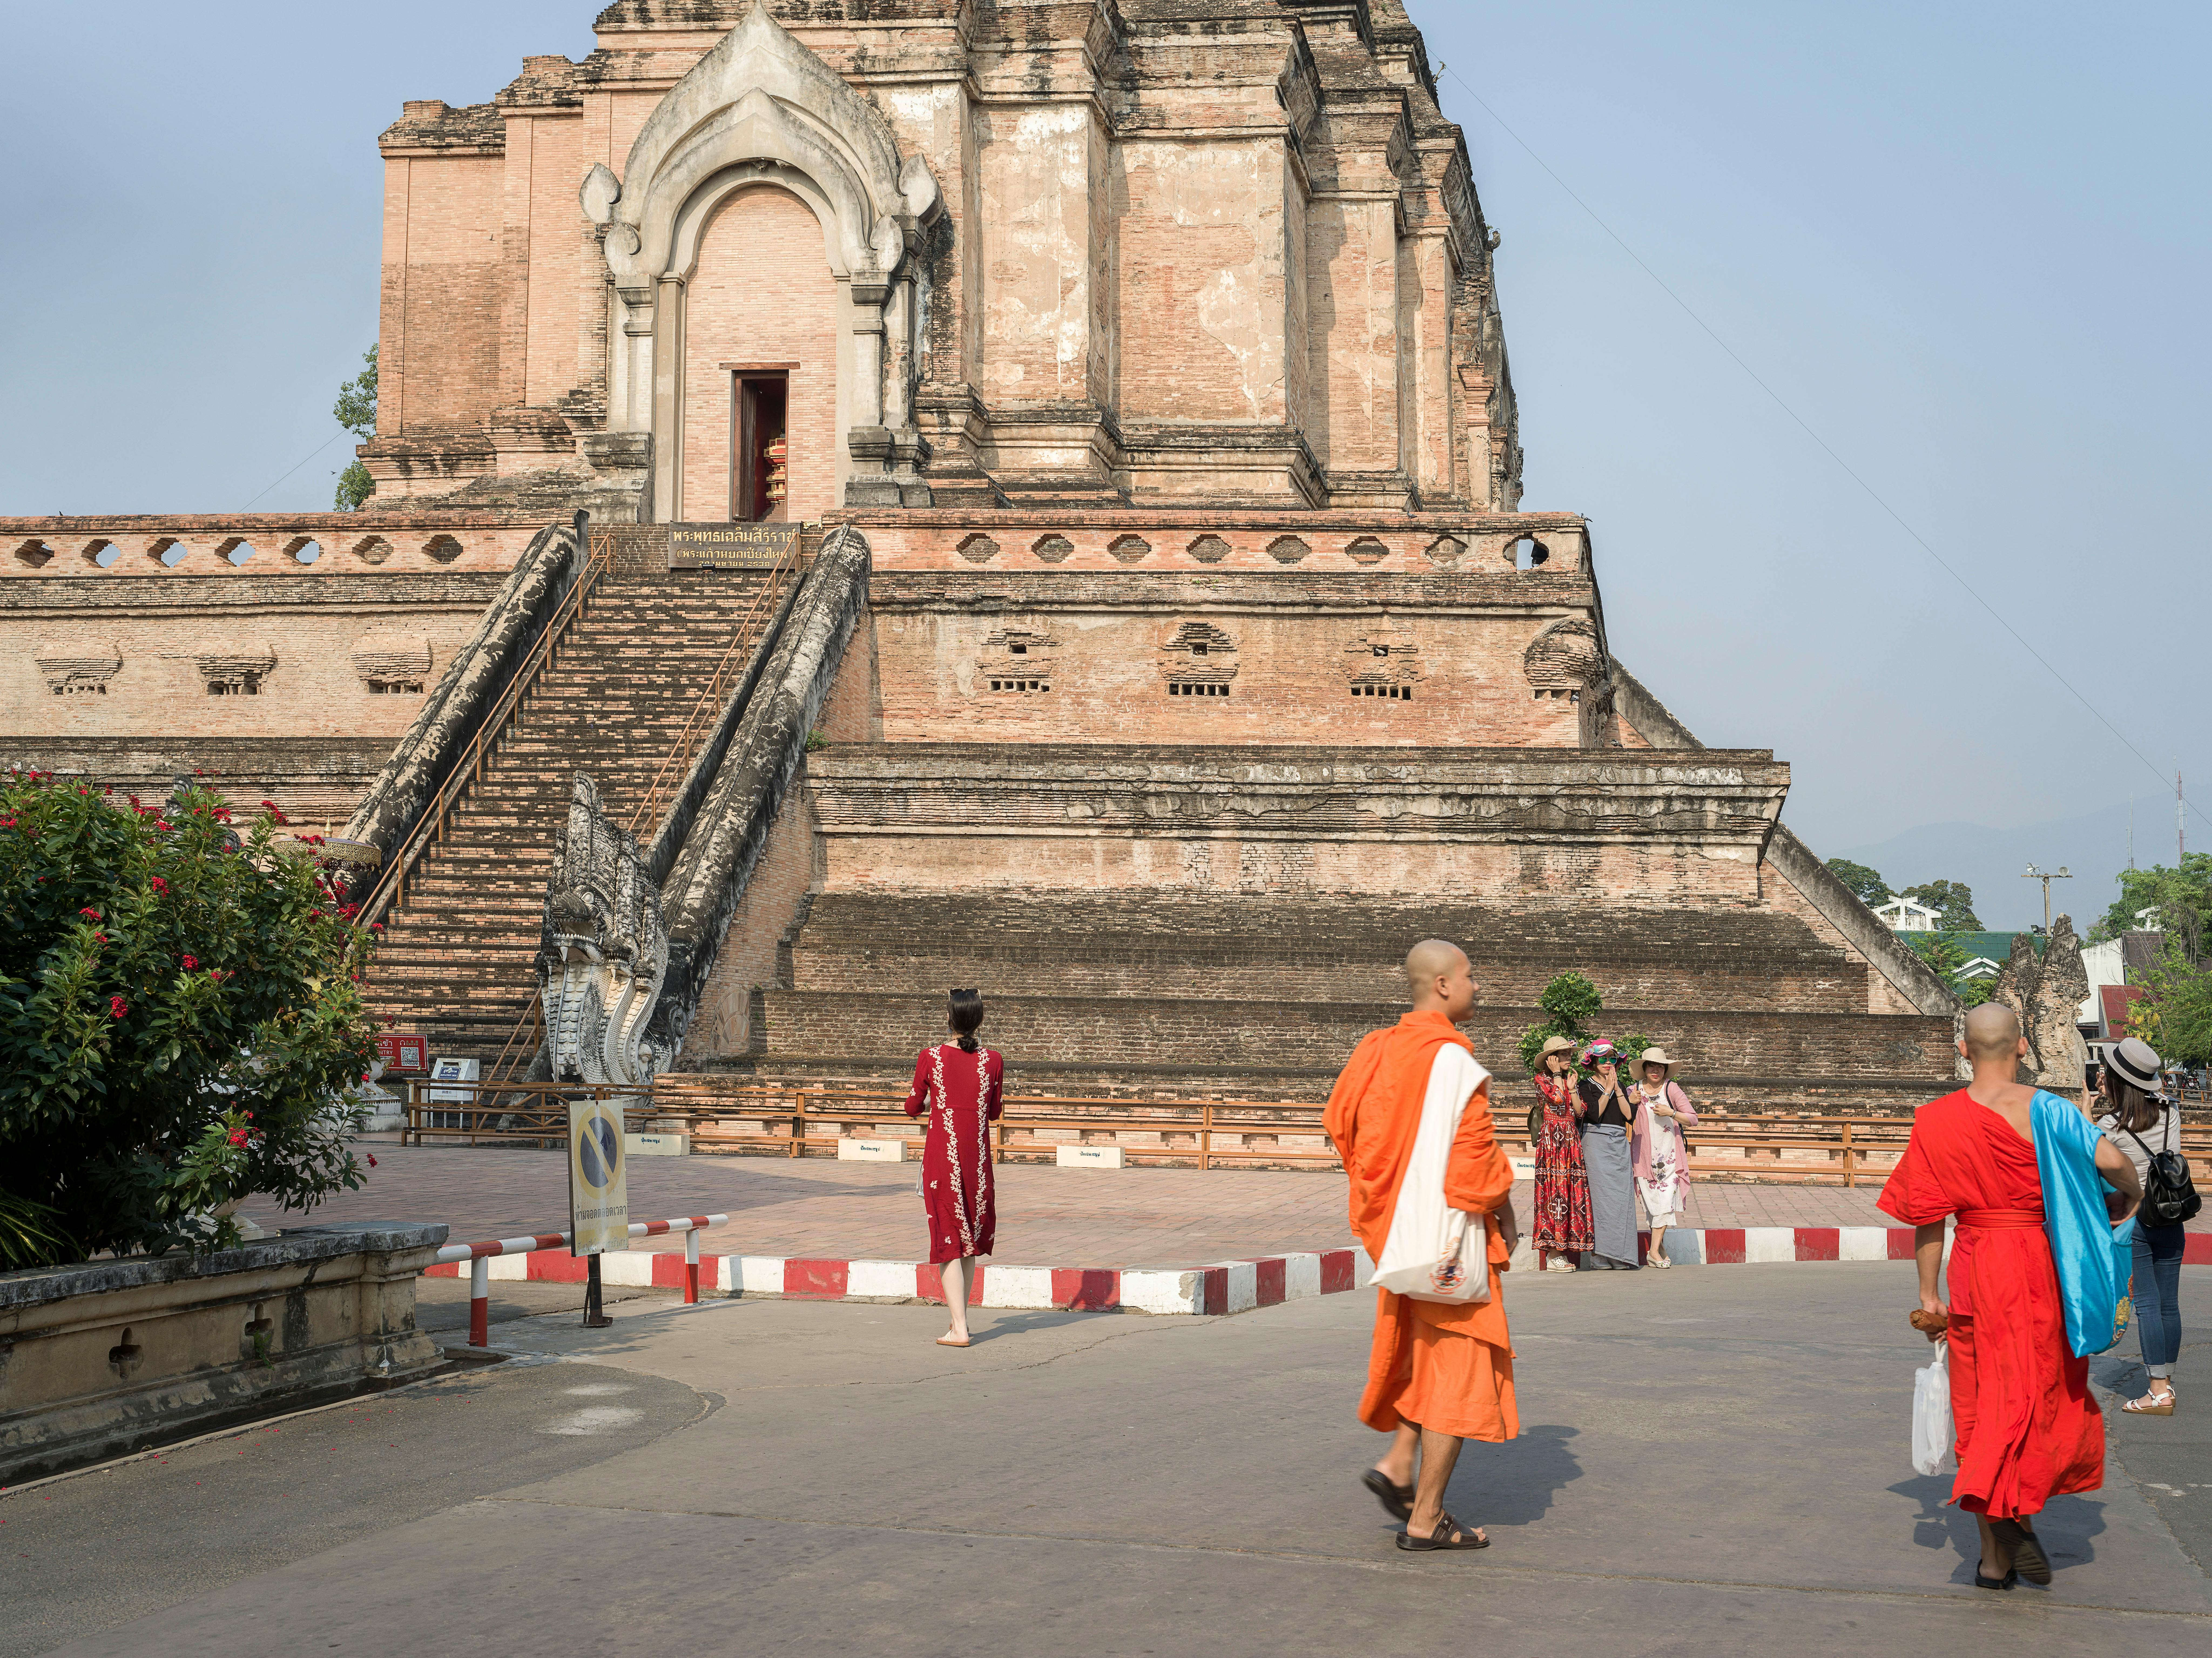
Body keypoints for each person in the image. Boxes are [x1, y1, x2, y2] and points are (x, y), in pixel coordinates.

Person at [1879, 1003, 2143, 1589]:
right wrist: (2124, 1202)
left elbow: (1927, 1218)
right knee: (2032, 1395)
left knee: (1985, 1405)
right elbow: (2118, 1166)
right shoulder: (2050, 1111)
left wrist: (1929, 1295)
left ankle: (1995, 1557)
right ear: (2022, 1047)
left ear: (1962, 1049)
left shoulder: (1937, 1120)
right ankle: (2011, 1515)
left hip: (1975, 1267)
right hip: (2043, 1268)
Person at [1326, 939, 1520, 1552]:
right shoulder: (1455, 1065)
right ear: (1442, 985)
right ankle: (1426, 1517)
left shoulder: (1375, 1051)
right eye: (1471, 975)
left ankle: (1400, 1463)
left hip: (1401, 1237)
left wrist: (1392, 1197)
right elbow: (1474, 1176)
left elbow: (1342, 1124)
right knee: (1457, 1375)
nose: (1477, 986)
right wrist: (1509, 1211)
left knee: (1424, 1354)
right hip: (1449, 1246)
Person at [902, 988, 1004, 1348]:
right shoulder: (993, 1060)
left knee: (950, 1239)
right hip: (977, 1161)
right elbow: (994, 1112)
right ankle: (960, 1321)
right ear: (979, 1020)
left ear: (949, 1019)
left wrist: (933, 1099)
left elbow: (912, 1107)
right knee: (969, 1242)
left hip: (943, 1159)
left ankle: (959, 1328)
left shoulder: (930, 1057)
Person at [2095, 1037, 2186, 1415]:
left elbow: (2094, 1164)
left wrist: (2091, 1106)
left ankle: (2158, 1391)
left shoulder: (2109, 1126)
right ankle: (2166, 1378)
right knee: (2168, 1304)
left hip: (2137, 1219)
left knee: (2147, 1304)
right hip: (2172, 1214)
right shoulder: (2172, 1111)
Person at [1630, 1047, 1698, 1269]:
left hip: (1670, 1158)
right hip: (1642, 1157)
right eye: (1652, 1066)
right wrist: (1630, 1102)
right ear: (1645, 1069)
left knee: (1666, 1202)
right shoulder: (1634, 1091)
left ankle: (1652, 1252)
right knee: (1653, 1207)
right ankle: (1660, 1249)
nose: (1656, 1071)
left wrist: (1671, 1113)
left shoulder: (1672, 1089)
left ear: (1665, 1070)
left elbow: (1693, 1119)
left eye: (1660, 1067)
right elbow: (1622, 1116)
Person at [1530, 1034, 1594, 1270]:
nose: (1569, 1058)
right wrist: (1558, 1077)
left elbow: (1579, 1112)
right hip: (1552, 1144)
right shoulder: (1541, 1079)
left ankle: (1566, 1246)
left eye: (1569, 1054)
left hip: (1570, 1142)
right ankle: (1554, 1253)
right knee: (1554, 1193)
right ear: (1552, 1059)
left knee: (1570, 1194)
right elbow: (1556, 1099)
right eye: (1564, 1055)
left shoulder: (1569, 1080)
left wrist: (1572, 1089)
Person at [1577, 1041, 1639, 1269]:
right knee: (1600, 1199)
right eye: (1602, 1059)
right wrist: (1607, 1091)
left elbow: (1629, 1116)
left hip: (1619, 1143)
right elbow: (1594, 1114)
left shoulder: (1619, 1085)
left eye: (1612, 1059)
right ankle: (1598, 1255)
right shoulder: (1586, 1086)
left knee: (1621, 1199)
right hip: (1595, 1142)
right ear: (1593, 1062)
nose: (1607, 1063)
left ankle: (1617, 1253)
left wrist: (1618, 1091)